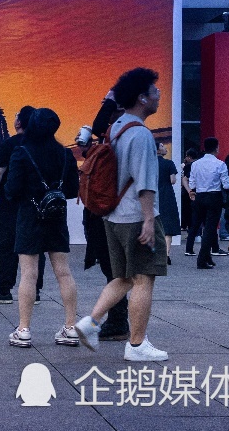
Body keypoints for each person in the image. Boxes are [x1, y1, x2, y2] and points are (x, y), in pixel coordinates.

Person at [76, 67, 169, 362]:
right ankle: (137, 345)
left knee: (124, 277)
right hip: (135, 217)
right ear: (142, 98)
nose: (159, 95)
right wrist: (149, 220)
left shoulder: (116, 127)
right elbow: (145, 183)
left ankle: (89, 324)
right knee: (144, 279)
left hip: (113, 216)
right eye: (155, 91)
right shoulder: (140, 134)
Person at [3, 108, 80, 349]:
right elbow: (72, 190)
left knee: (28, 274)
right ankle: (70, 327)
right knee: (64, 272)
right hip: (56, 216)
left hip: (29, 215)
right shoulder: (65, 154)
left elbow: (11, 189)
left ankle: (24, 330)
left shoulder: (22, 152)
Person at [0, 106, 45, 304]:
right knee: (35, 247)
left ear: (19, 122)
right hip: (36, 203)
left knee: (6, 245)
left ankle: (5, 290)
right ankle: (35, 291)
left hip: (11, 203)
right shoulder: (42, 144)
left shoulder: (9, 144)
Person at [186, 138, 229, 269]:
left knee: (198, 224)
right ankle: (202, 259)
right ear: (216, 148)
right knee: (210, 229)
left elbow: (192, 183)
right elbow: (226, 185)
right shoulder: (220, 164)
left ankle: (207, 257)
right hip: (214, 197)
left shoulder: (195, 164)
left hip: (199, 196)